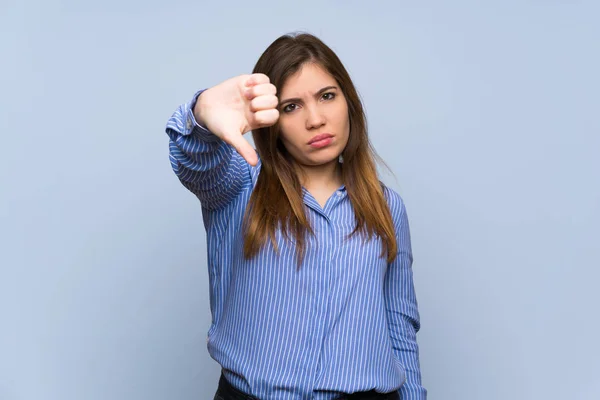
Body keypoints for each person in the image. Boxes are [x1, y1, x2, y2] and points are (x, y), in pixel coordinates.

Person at [165, 32, 426, 400]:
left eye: (327, 96)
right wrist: (202, 115)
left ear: (348, 101)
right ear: (272, 121)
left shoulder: (387, 206)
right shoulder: (239, 184)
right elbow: (196, 162)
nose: (316, 120)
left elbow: (398, 322)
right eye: (291, 107)